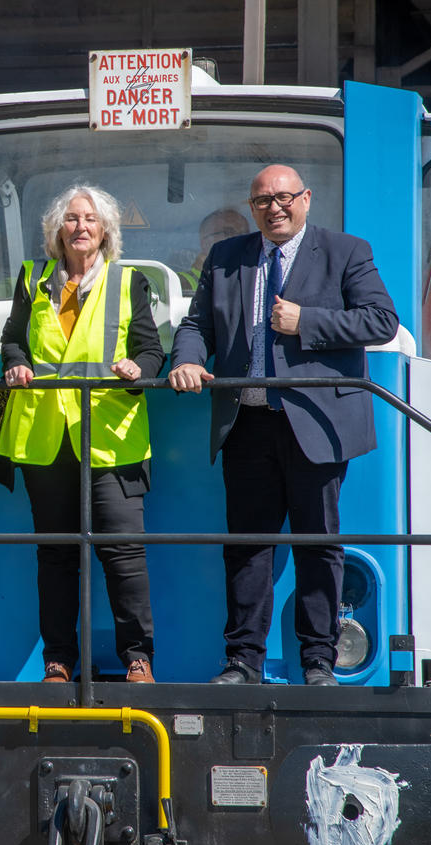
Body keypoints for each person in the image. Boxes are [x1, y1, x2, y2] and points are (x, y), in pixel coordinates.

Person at [168, 164, 398, 686]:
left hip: (316, 421)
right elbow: (196, 324)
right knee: (248, 546)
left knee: (319, 545)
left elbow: (382, 320)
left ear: (306, 199)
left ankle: (318, 662)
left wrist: (306, 321)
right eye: (262, 201)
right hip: (247, 422)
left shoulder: (346, 251)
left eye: (284, 198)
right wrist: (186, 359)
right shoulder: (228, 256)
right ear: (252, 208)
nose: (274, 208)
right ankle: (242, 661)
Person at [0, 185, 163, 684]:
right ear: (56, 231)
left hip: (112, 436)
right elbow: (11, 339)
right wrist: (16, 364)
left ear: (106, 230)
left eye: (90, 219)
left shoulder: (128, 281)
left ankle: (137, 658)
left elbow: (153, 351)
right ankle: (59, 661)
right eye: (70, 219)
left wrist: (139, 369)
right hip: (46, 437)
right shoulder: (33, 278)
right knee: (57, 555)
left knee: (122, 553)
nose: (80, 227)